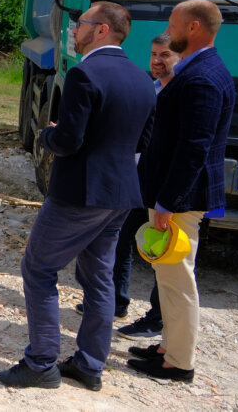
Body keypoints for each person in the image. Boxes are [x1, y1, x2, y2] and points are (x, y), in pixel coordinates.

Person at [0, 2, 156, 391]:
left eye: (81, 23)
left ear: (101, 30)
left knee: (38, 269)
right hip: (120, 194)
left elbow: (68, 141)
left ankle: (41, 362)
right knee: (99, 278)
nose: (74, 30)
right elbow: (144, 141)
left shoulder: (85, 74)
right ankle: (89, 364)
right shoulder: (142, 78)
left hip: (80, 194)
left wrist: (47, 134)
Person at [128, 0, 235, 383]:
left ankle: (179, 363)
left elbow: (195, 147)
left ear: (192, 28)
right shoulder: (199, 69)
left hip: (182, 200)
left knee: (178, 281)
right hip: (178, 197)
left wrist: (167, 202)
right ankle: (166, 349)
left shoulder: (202, 77)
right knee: (168, 278)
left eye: (172, 24)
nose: (167, 30)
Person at [75, 34, 179, 336]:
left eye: (165, 55)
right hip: (135, 181)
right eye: (154, 54)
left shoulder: (180, 93)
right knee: (121, 243)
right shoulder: (149, 87)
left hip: (164, 187)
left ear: (179, 58)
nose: (158, 61)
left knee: (164, 256)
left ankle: (158, 318)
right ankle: (118, 302)